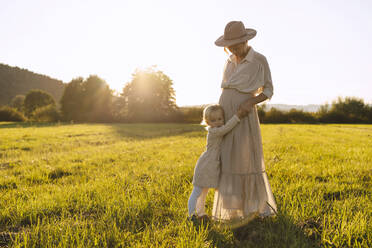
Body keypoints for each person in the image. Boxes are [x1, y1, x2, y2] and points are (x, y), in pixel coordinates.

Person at [212, 21, 277, 223]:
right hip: (225, 112)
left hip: (244, 113)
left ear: (246, 40)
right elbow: (226, 89)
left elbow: (268, 90)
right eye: (230, 46)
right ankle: (232, 209)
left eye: (237, 45)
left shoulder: (259, 60)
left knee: (246, 157)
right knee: (228, 158)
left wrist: (250, 101)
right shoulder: (229, 60)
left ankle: (253, 208)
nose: (233, 50)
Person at [188, 104, 247, 223]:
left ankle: (200, 213)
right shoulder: (214, 131)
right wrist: (237, 116)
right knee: (198, 191)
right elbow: (226, 128)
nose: (218, 122)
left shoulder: (216, 130)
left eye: (220, 119)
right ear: (208, 122)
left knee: (204, 192)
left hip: (212, 165)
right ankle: (191, 215)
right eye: (213, 120)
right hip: (206, 165)